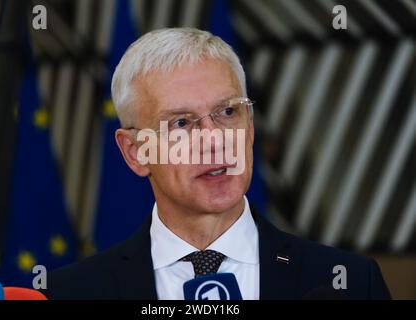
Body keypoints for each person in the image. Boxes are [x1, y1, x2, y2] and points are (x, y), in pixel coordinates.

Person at [43, 28, 390, 300]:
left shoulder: (349, 283)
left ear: (250, 127)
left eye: (227, 112)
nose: (214, 139)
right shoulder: (71, 293)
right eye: (181, 123)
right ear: (136, 152)